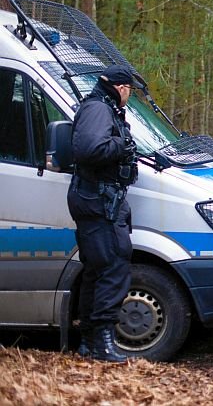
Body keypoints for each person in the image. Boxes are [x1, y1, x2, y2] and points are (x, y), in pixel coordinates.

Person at [67, 65, 141, 363]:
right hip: (98, 200)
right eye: (130, 92)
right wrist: (122, 144)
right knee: (113, 267)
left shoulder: (101, 106)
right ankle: (102, 343)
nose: (129, 97)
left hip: (97, 199)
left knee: (97, 270)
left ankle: (88, 340)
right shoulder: (99, 109)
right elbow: (88, 149)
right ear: (121, 88)